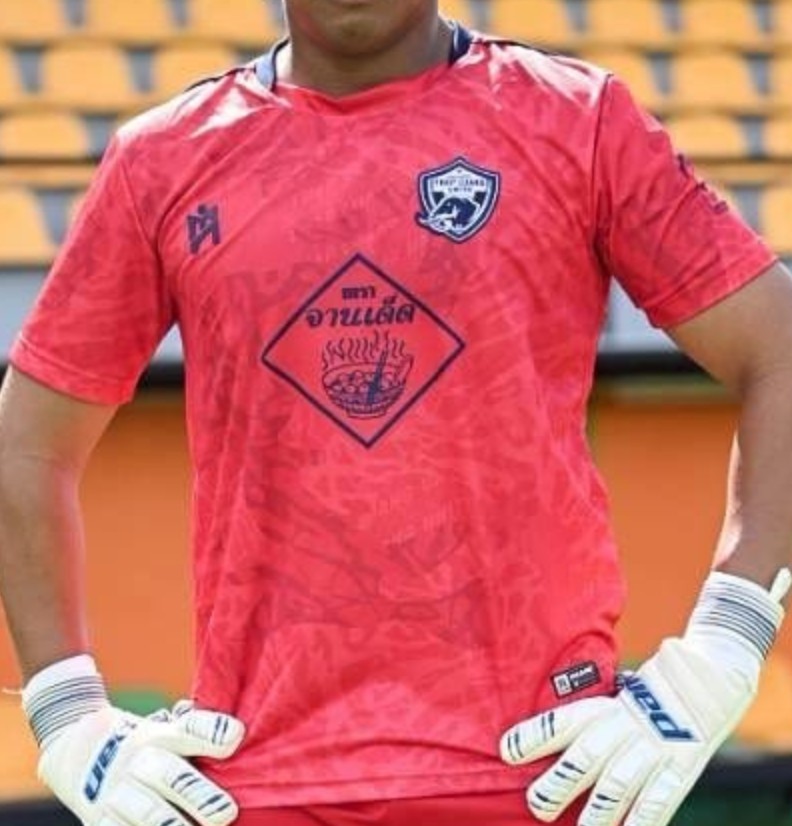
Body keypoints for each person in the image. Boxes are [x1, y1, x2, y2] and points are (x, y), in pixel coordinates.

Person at [0, 3, 791, 826]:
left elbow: (779, 352)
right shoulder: (162, 159)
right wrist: (66, 713)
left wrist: (723, 647)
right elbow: (26, 445)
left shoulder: (578, 120)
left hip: (550, 780)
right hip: (255, 789)